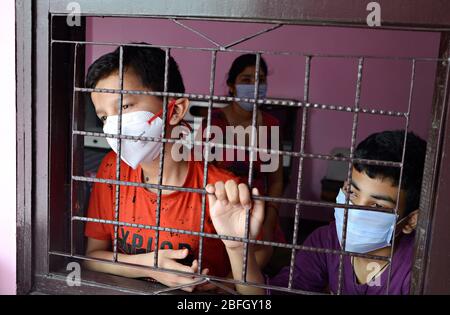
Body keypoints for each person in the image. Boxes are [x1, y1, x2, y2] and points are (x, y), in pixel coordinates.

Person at [83, 44, 248, 292]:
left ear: (176, 110)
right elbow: (93, 257)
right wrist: (148, 266)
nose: (113, 126)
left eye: (125, 107)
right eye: (105, 117)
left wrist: (217, 282)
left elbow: (251, 289)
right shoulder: (111, 169)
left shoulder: (222, 190)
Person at [206, 130, 426, 294]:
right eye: (351, 192)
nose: (354, 211)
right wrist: (236, 247)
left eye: (377, 206)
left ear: (410, 221)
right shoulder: (326, 241)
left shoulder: (417, 272)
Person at [202, 54, 285, 269]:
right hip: (218, 214)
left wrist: (268, 222)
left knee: (254, 272)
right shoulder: (214, 123)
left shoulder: (271, 125)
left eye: (260, 79)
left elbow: (276, 181)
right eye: (246, 80)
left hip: (259, 214)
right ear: (231, 85)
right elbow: (200, 174)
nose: (254, 86)